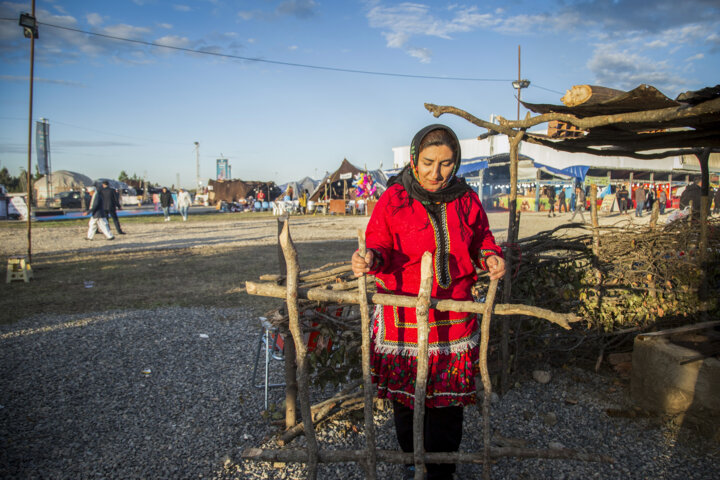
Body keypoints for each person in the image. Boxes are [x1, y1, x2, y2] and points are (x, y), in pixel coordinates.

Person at [351, 124, 505, 480]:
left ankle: (443, 470)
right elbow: (379, 245)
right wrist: (369, 258)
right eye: (429, 162)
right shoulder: (394, 199)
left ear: (457, 163)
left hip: (453, 314)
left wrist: (491, 256)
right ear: (413, 159)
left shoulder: (466, 199)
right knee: (407, 399)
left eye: (447, 163)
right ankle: (412, 461)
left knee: (449, 401)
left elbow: (482, 237)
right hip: (404, 313)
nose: (437, 173)